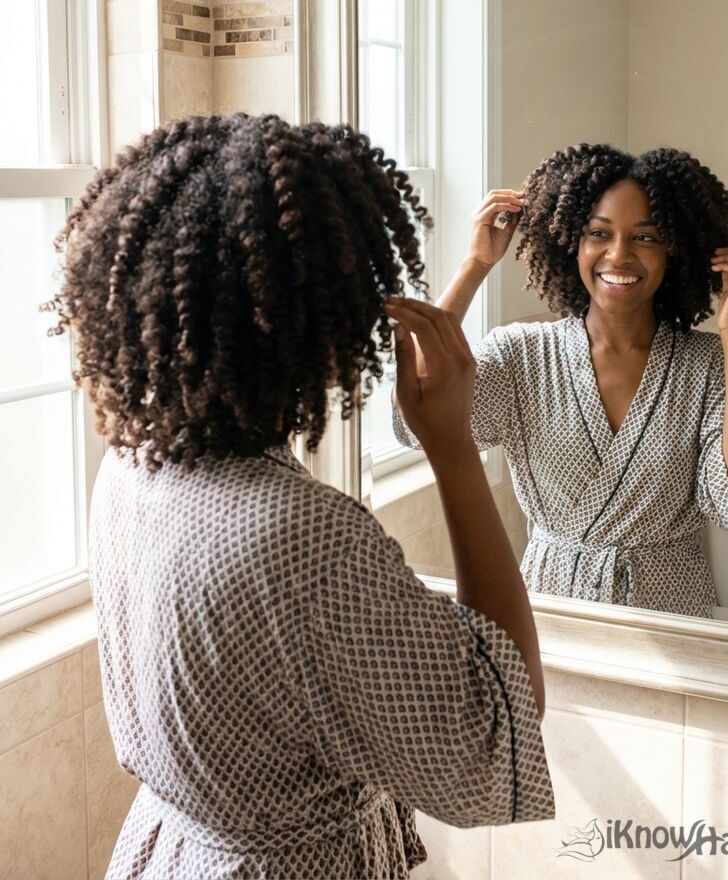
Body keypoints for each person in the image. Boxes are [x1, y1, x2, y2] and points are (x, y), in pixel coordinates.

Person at [44, 113, 554, 880]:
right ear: (326, 317)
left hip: (167, 852)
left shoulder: (130, 469)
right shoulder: (302, 537)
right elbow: (492, 726)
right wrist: (451, 449)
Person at [394, 143, 728, 619]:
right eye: (598, 233)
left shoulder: (709, 363)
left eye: (646, 237)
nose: (619, 255)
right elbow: (420, 408)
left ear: (675, 249)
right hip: (552, 615)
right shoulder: (522, 354)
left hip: (673, 616)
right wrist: (477, 265)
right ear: (572, 242)